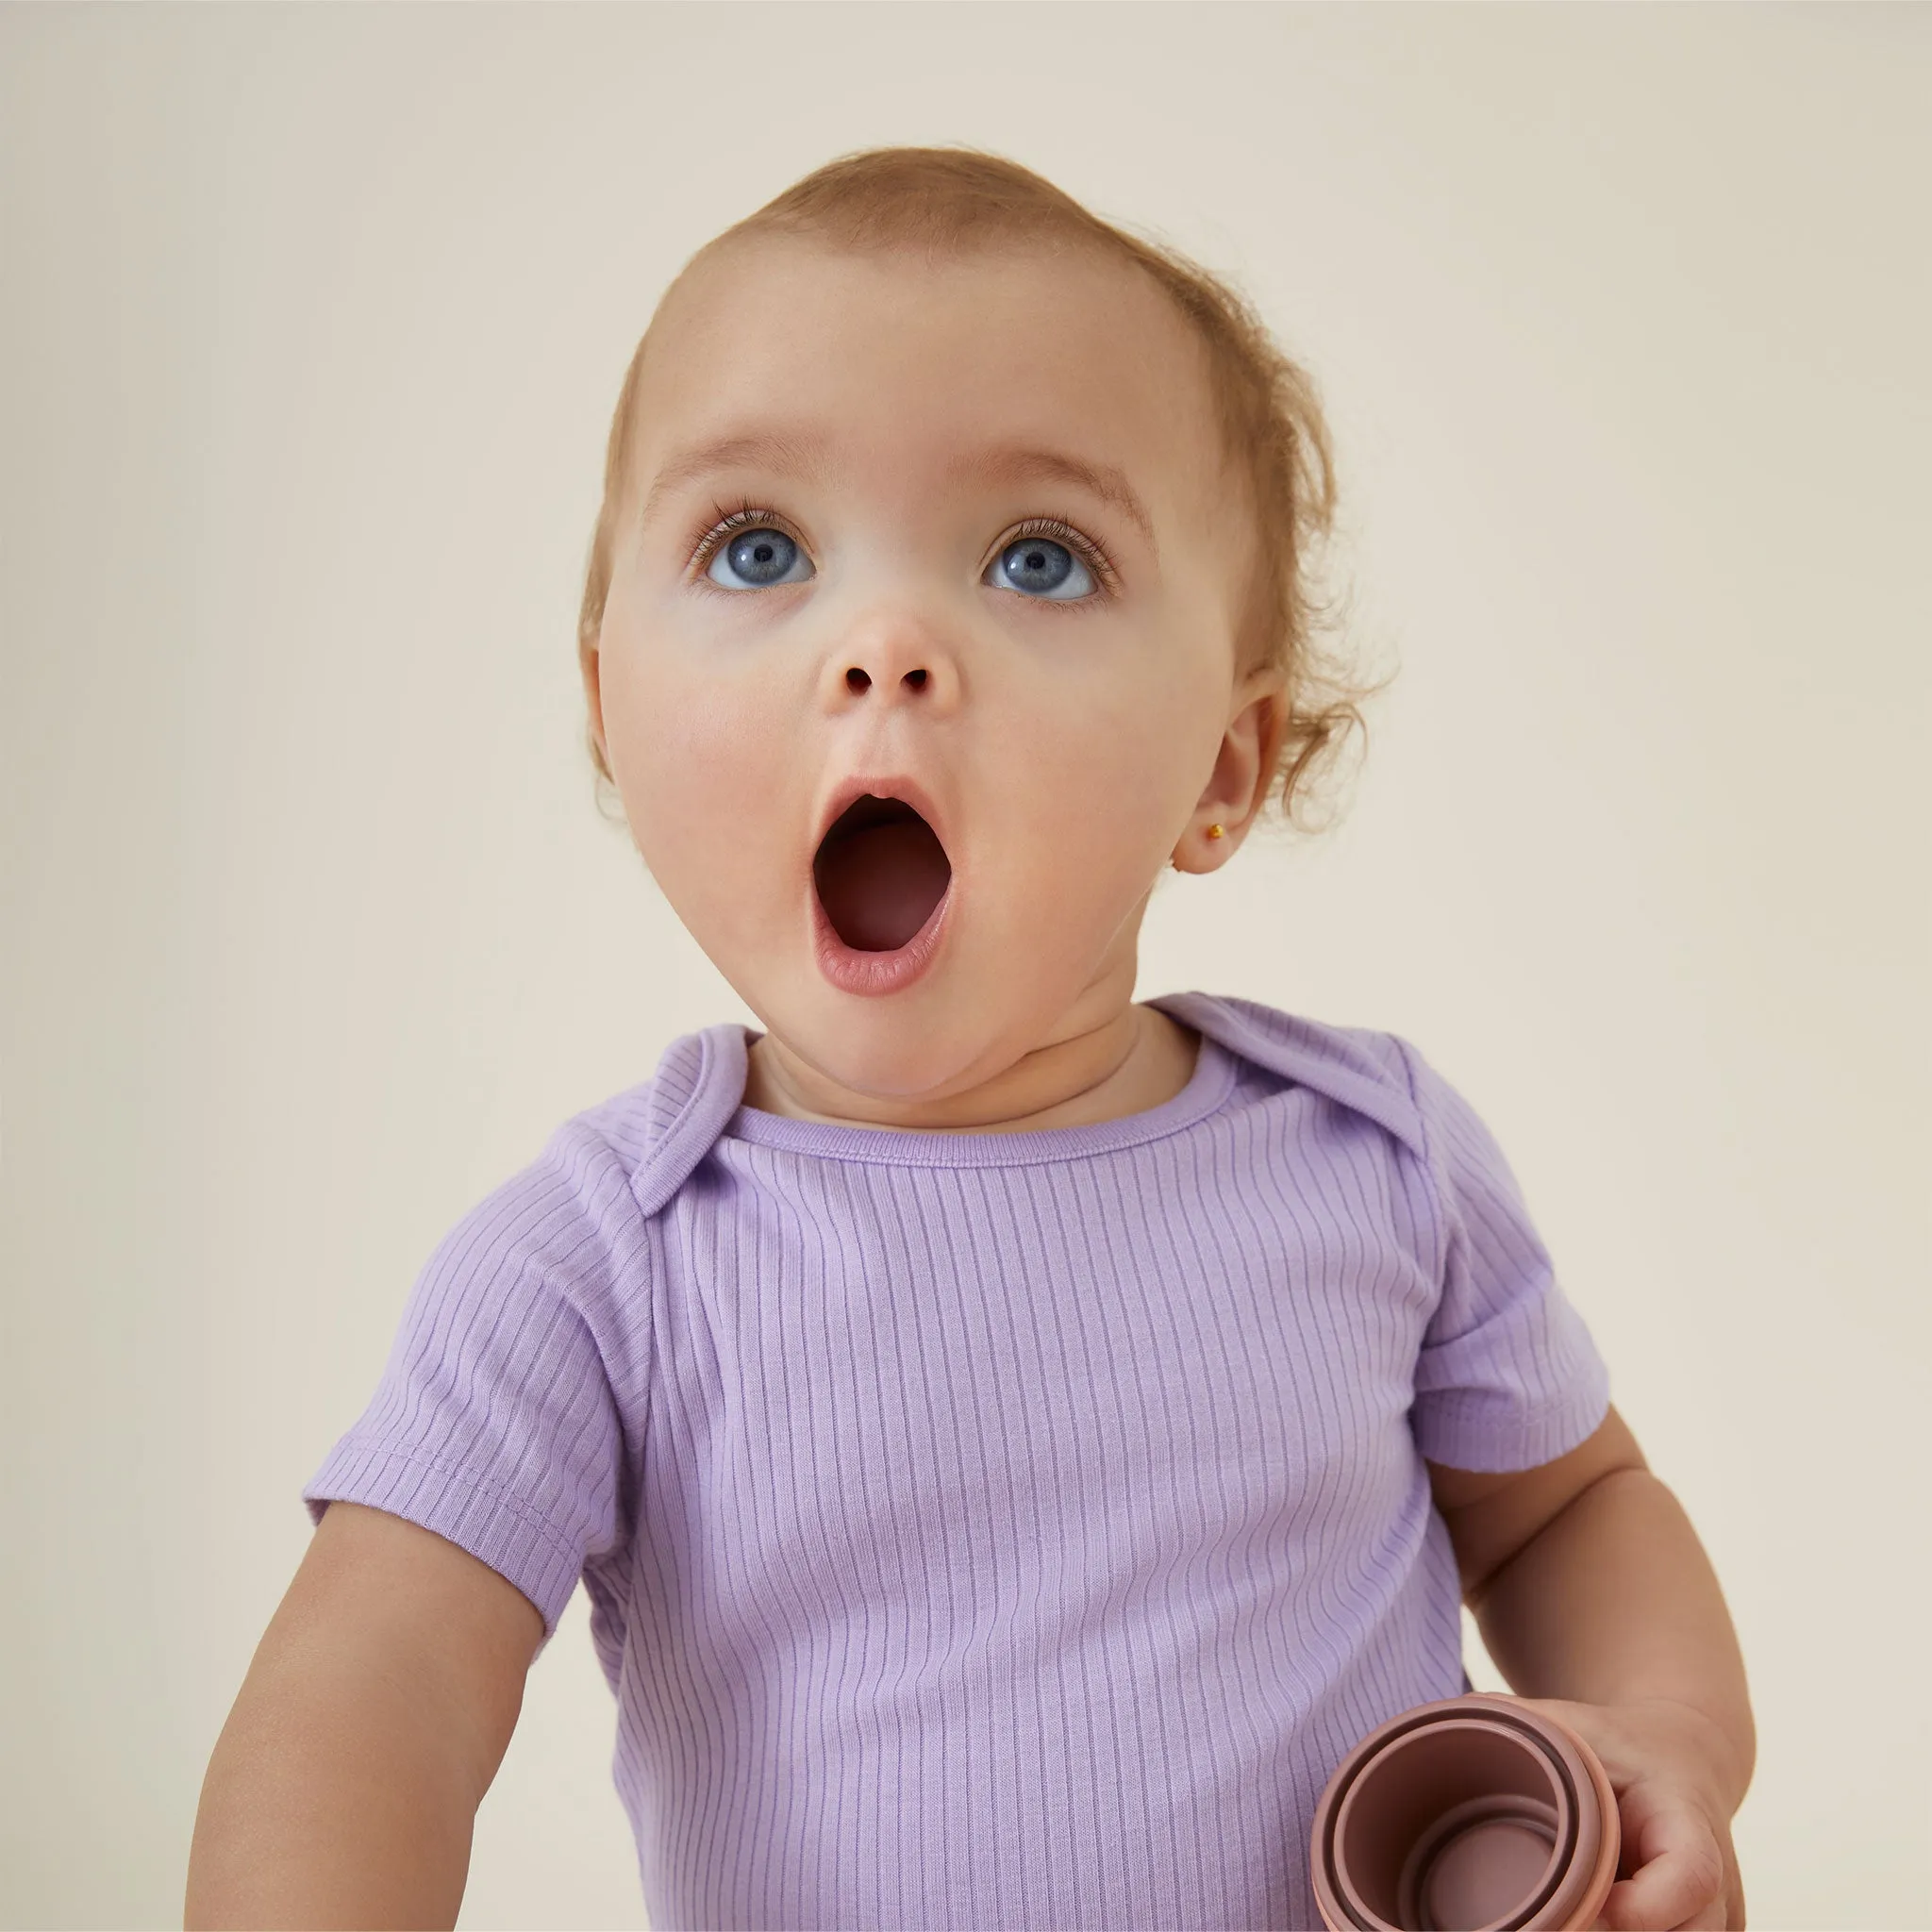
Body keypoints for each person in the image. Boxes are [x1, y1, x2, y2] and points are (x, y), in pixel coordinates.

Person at [186, 144, 1753, 1931]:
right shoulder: (606, 1265)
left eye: (1038, 558)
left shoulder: (1373, 1158)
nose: (887, 646)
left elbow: (1565, 1512)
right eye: (756, 545)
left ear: (1224, 767)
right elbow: (371, 1687)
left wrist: (1666, 1738)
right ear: (609, 704)